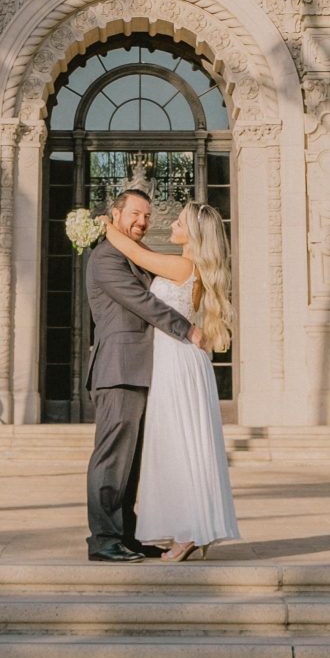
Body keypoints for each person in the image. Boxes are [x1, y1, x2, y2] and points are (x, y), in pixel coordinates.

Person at [100, 197, 240, 562]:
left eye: (177, 222)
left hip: (176, 360)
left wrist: (104, 224)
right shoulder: (189, 265)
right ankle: (192, 529)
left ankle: (188, 534)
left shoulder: (181, 267)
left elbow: (132, 250)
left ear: (192, 233)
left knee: (179, 446)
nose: (169, 225)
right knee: (183, 444)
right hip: (179, 359)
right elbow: (141, 251)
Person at [83, 184, 197, 563]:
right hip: (118, 370)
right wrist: (186, 328)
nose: (143, 222)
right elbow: (143, 302)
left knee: (131, 462)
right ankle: (103, 540)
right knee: (112, 459)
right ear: (115, 214)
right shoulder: (105, 259)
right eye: (135, 214)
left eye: (147, 216)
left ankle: (127, 536)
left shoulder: (134, 255)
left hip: (143, 370)